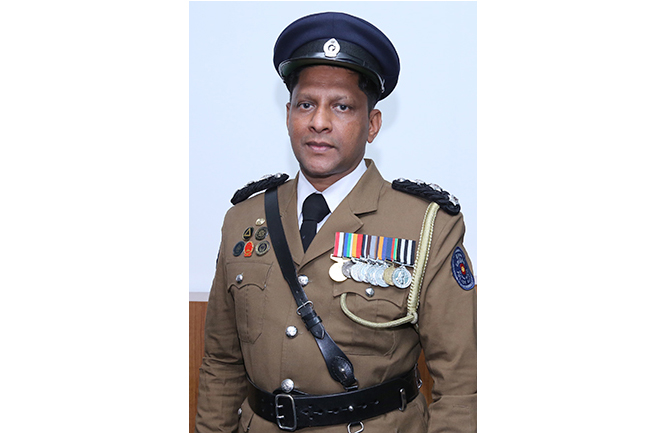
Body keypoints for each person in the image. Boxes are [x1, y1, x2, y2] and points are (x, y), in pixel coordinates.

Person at [195, 11, 476, 433]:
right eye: (306, 104)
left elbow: (462, 382)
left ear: (373, 124)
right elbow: (221, 363)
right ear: (288, 113)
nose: (319, 122)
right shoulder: (243, 219)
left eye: (341, 106)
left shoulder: (425, 225)